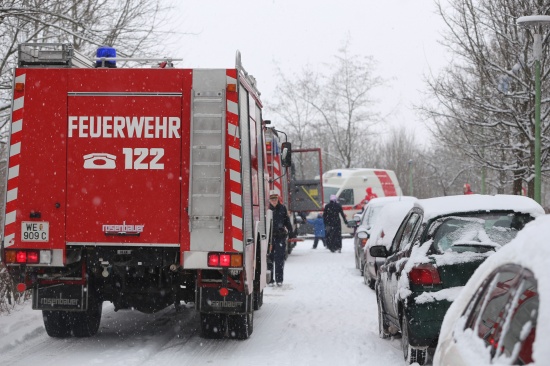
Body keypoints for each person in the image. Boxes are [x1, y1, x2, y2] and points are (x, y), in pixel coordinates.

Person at [268, 190, 294, 286]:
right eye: (272, 199)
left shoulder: (282, 208)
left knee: (279, 259)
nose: (274, 201)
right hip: (269, 238)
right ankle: (270, 280)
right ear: (269, 200)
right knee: (269, 259)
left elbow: (287, 221)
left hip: (280, 236)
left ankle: (279, 279)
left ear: (278, 199)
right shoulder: (267, 209)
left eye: (275, 199)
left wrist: (291, 232)